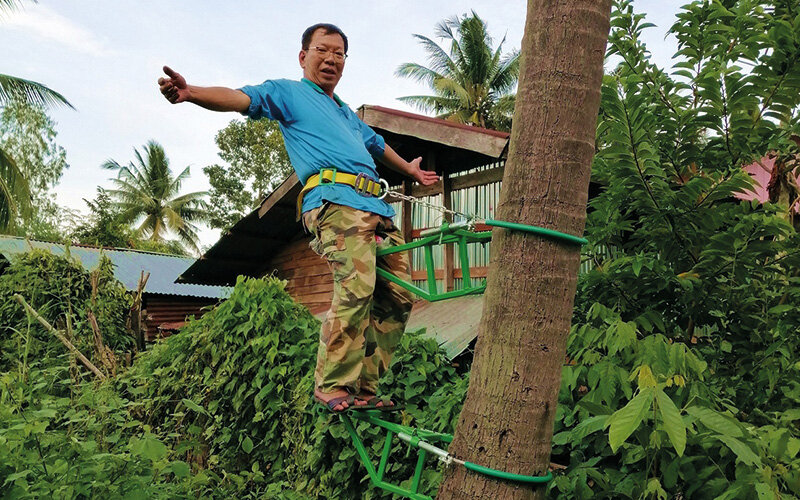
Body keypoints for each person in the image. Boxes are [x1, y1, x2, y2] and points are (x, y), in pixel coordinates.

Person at [158, 23, 439, 412]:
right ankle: (332, 384)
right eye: (323, 50)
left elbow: (377, 144)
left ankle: (365, 387)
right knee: (357, 286)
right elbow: (240, 98)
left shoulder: (345, 113)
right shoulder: (289, 94)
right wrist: (192, 94)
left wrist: (409, 169)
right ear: (304, 56)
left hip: (377, 209)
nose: (331, 59)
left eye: (339, 53)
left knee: (400, 294)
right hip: (335, 204)